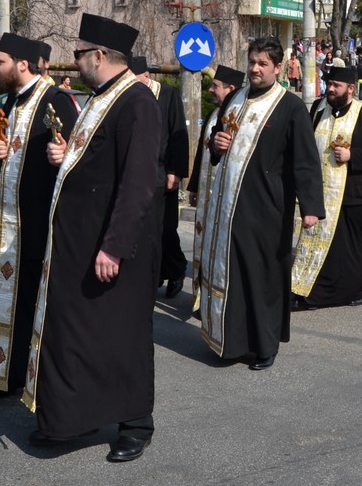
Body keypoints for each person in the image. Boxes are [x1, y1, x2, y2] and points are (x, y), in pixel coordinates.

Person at [24, 15, 161, 462]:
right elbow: (98, 163)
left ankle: (135, 423)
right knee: (76, 335)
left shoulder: (136, 101)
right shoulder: (100, 97)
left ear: (99, 56)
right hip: (78, 244)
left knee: (120, 336)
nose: (75, 61)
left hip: (110, 246)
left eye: (79, 53)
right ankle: (71, 419)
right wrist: (67, 157)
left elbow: (138, 181)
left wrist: (114, 246)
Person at [0, 32, 77, 401]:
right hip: (5, 220)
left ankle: (19, 376)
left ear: (22, 64)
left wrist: (64, 158)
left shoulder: (57, 101)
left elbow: (79, 163)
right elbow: (6, 164)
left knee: (28, 303)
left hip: (38, 223)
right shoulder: (13, 99)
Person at [199, 37, 324, 370]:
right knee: (233, 274)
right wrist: (216, 145)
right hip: (229, 205)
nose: (255, 69)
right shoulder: (235, 98)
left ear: (278, 68)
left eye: (262, 64)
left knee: (262, 276)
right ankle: (231, 342)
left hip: (267, 207)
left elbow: (305, 161)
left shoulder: (290, 106)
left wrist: (310, 206)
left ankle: (265, 346)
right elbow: (217, 143)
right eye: (252, 62)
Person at [292, 66, 362, 309]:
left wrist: (352, 155)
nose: (331, 89)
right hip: (321, 192)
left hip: (352, 194)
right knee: (320, 244)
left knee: (352, 247)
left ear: (351, 89)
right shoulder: (318, 109)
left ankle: (359, 290)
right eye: (330, 84)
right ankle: (312, 290)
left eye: (337, 86)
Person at [129, 56, 190, 299]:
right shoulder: (130, 96)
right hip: (137, 174)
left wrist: (175, 172)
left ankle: (176, 270)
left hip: (163, 174)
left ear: (146, 75)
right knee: (144, 231)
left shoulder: (167, 95)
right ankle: (152, 276)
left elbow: (179, 135)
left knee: (164, 230)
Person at [188, 65, 245, 308]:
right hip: (206, 194)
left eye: (215, 86)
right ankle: (202, 298)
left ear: (230, 88)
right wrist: (193, 187)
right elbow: (202, 153)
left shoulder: (240, 116)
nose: (211, 90)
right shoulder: (213, 114)